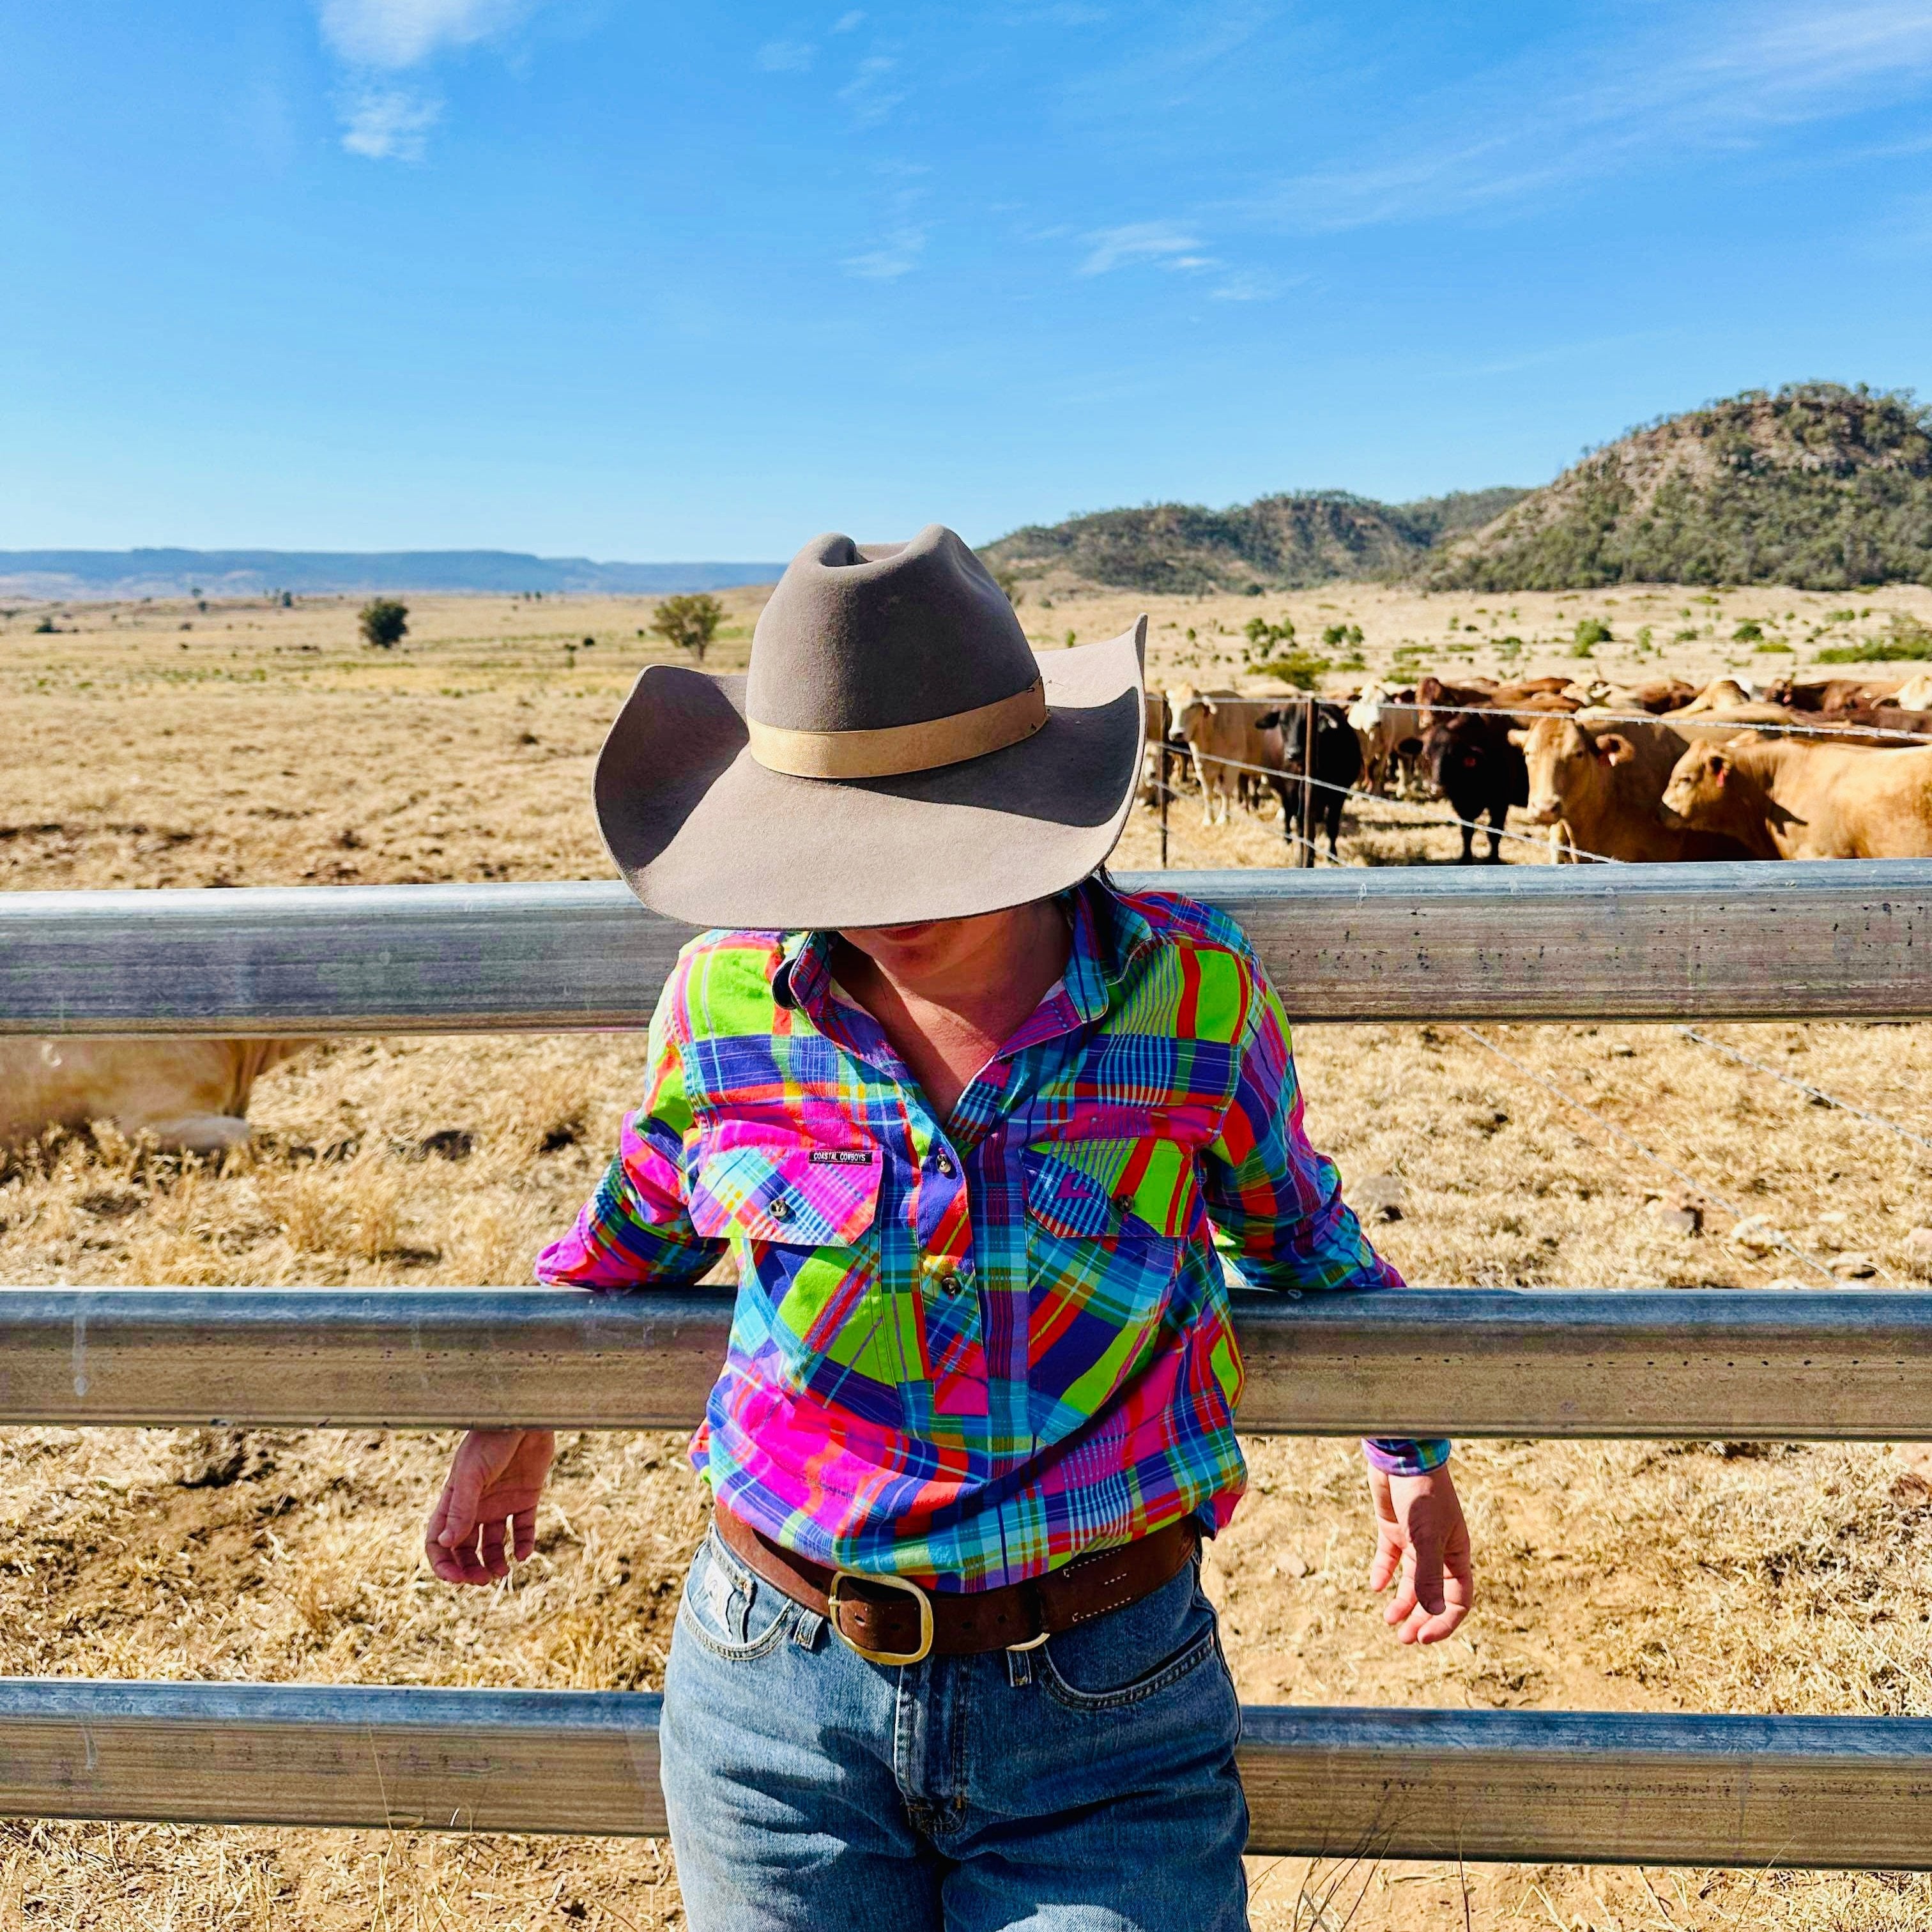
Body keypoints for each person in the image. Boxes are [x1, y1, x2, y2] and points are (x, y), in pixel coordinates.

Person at [425, 526, 1474, 1931]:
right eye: (833, 850)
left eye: (927, 843)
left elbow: (1304, 1237)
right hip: (772, 1694)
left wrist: (1410, 1450)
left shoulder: (1195, 997)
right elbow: (629, 1232)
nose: (877, 901)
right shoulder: (726, 1004)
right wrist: (518, 1406)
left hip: (1104, 1698)